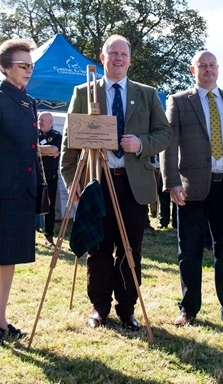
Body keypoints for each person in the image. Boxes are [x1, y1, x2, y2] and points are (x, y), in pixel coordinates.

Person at [60, 34, 172, 331]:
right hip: (97, 183)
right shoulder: (84, 92)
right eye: (113, 54)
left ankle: (126, 308)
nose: (119, 59)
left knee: (130, 248)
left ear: (130, 59)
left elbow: (165, 134)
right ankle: (99, 307)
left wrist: (141, 143)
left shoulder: (147, 94)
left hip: (133, 184)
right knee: (98, 248)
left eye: (124, 54)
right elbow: (69, 141)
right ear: (103, 58)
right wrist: (72, 181)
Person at [161, 50, 223, 328]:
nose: (208, 70)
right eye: (202, 66)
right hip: (191, 190)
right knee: (189, 253)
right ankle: (188, 309)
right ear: (192, 70)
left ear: (218, 69)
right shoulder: (179, 102)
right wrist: (171, 183)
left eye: (212, 65)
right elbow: (169, 145)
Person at [0, 38, 38, 346]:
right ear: (5, 68)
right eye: (23, 65)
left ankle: (1, 318)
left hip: (22, 194)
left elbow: (27, 150)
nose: (28, 70)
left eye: (31, 65)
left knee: (10, 258)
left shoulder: (29, 103)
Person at [37, 112, 62, 246]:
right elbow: (28, 149)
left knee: (50, 207)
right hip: (34, 176)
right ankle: (29, 234)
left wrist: (37, 149)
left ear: (51, 122)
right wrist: (46, 150)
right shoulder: (33, 134)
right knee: (30, 205)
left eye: (42, 120)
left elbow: (54, 150)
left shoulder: (57, 136)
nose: (40, 121)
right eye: (39, 119)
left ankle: (49, 236)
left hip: (50, 178)